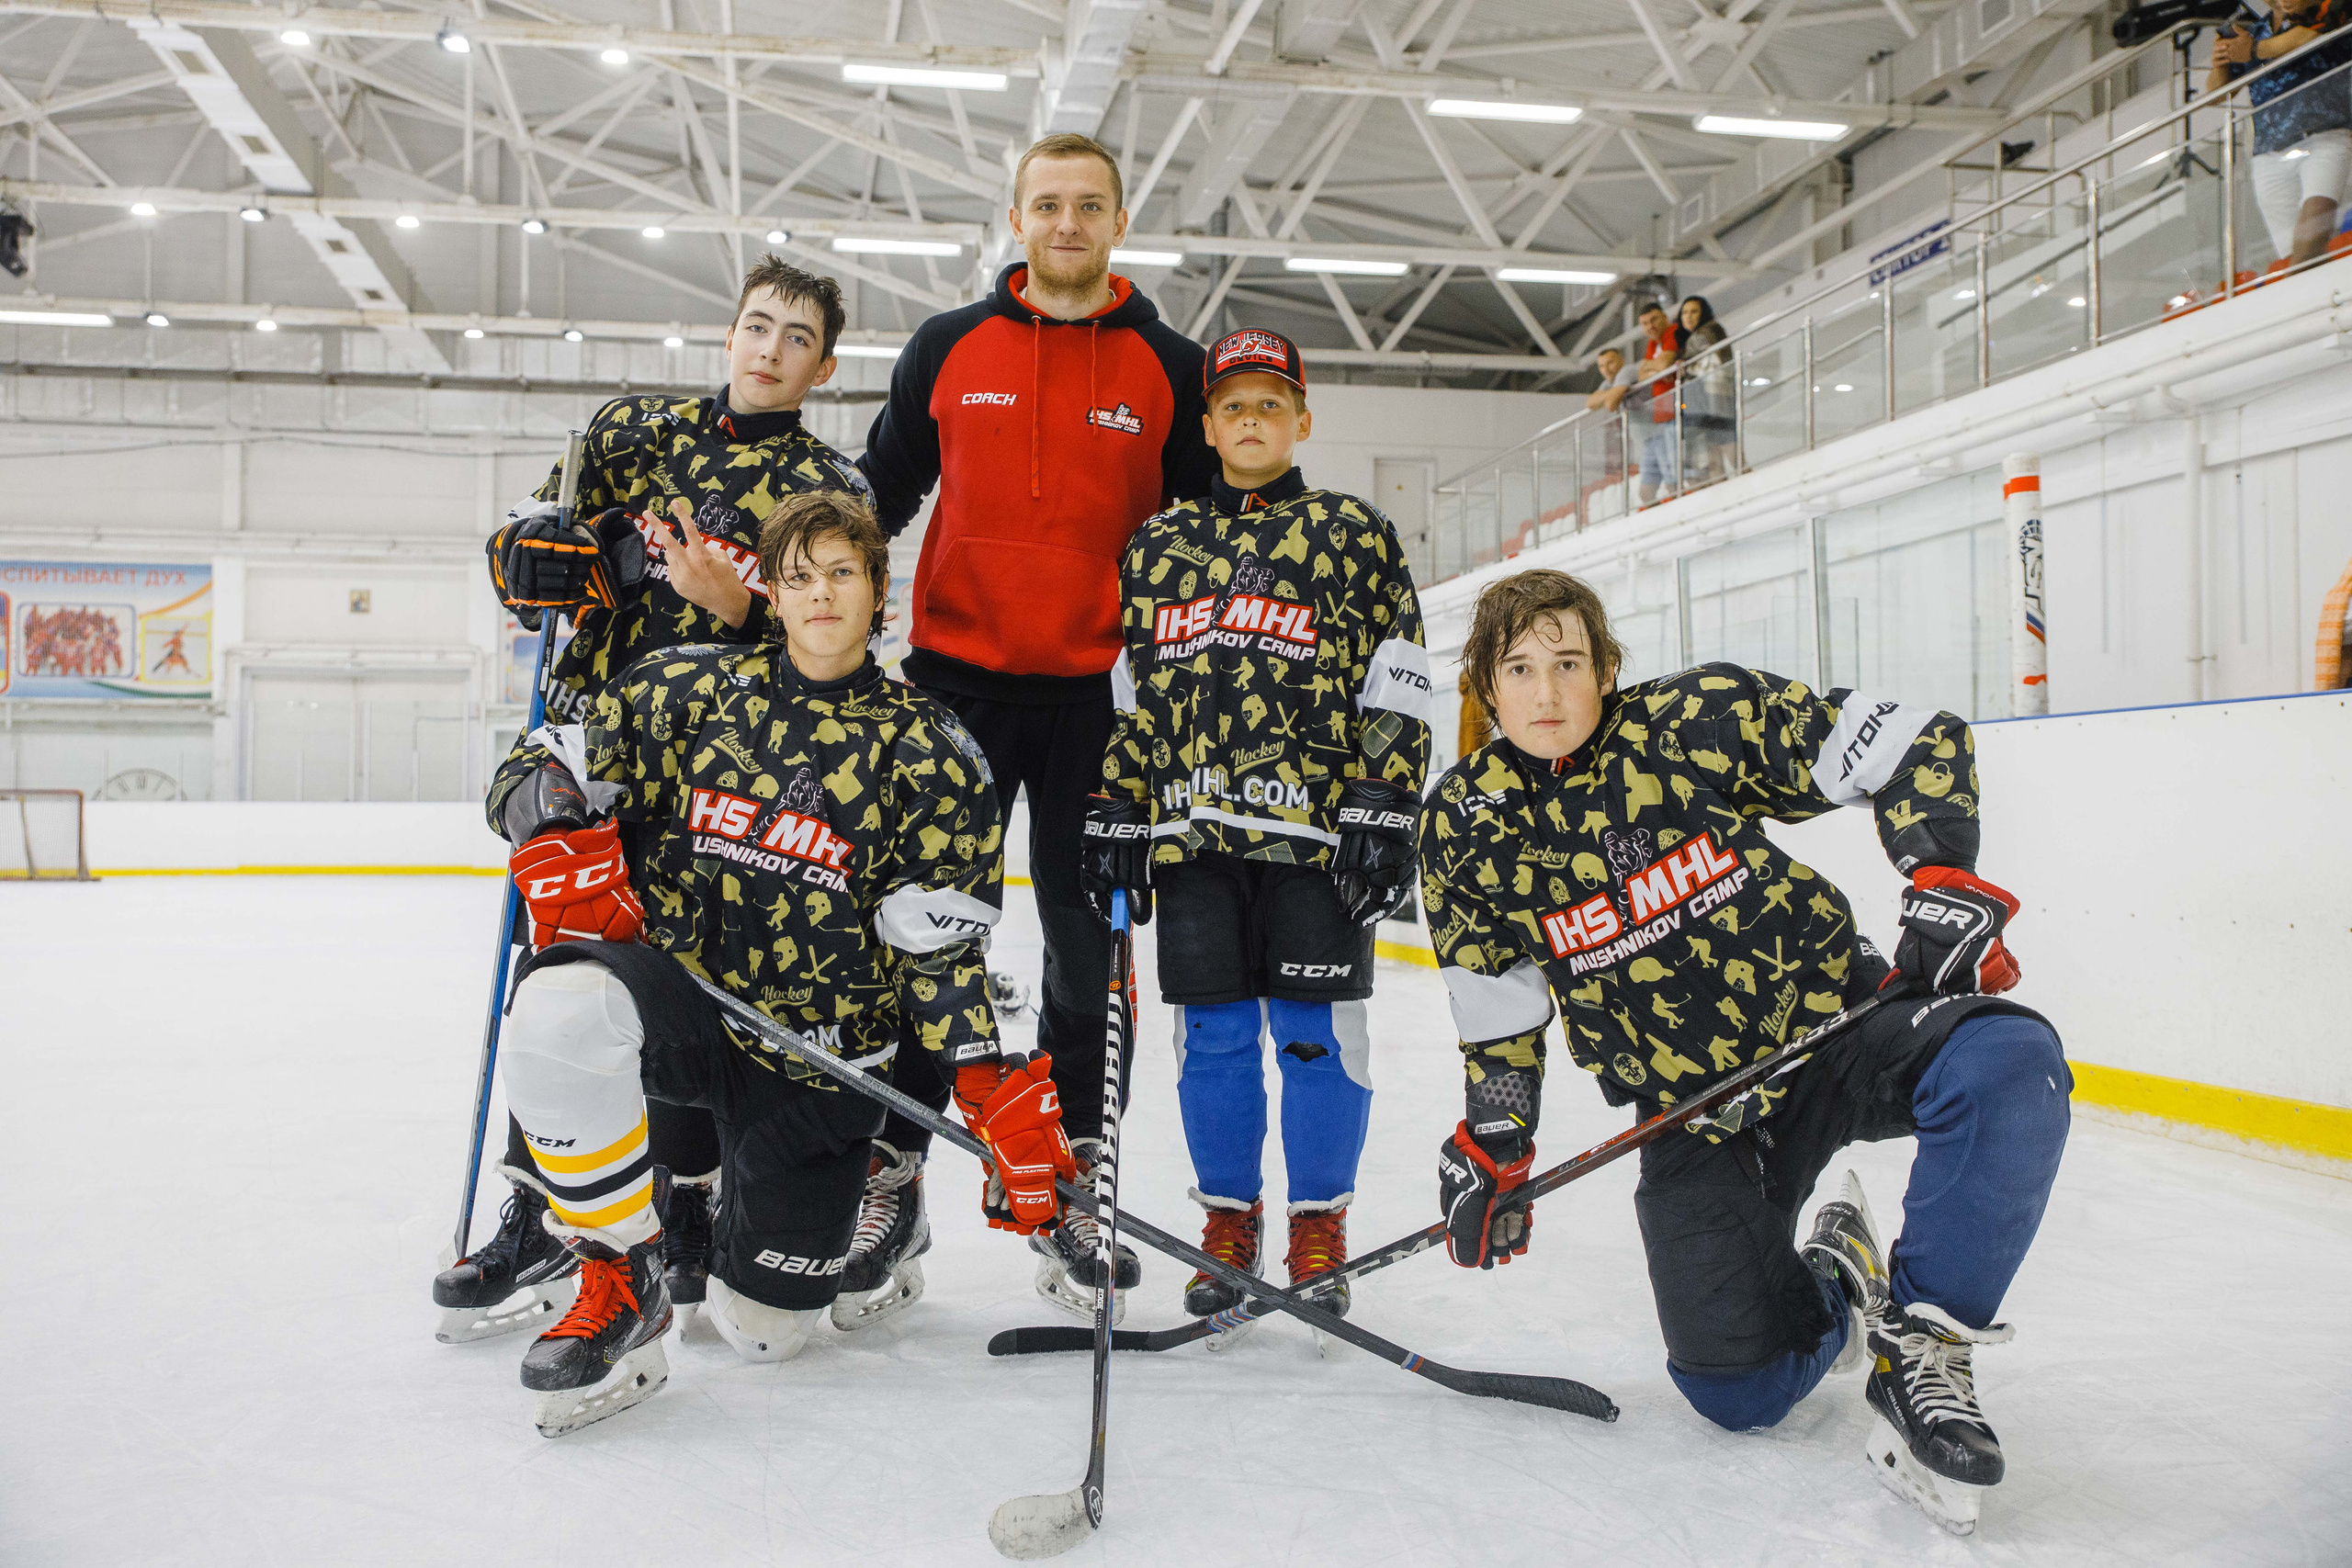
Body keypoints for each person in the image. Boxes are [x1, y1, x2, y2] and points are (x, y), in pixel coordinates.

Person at [1421, 570, 2070, 1536]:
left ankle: (1923, 1347)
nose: (1547, 692)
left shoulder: (1695, 719)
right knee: (1737, 1389)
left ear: (1605, 669)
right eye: (1519, 668)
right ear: (1484, 684)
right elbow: (1495, 1004)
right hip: (1695, 1108)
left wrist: (1937, 870)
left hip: (1835, 1028)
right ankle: (1841, 1279)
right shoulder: (1464, 826)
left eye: (1568, 663)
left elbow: (1910, 738)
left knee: (2011, 1065)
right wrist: (1495, 1140)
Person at [482, 491, 1065, 1437]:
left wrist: (984, 1081)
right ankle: (617, 1274)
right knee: (558, 1005)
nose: (820, 595)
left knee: (761, 1332)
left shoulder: (935, 752)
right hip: (689, 1017)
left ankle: (885, 1209)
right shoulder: (685, 688)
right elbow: (536, 758)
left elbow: (939, 952)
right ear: (773, 593)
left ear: (881, 592)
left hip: (820, 1059)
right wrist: (547, 817)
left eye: (842, 573)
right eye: (798, 577)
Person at [439, 258, 874, 1343]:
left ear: (823, 365)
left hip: (729, 766)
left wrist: (738, 609)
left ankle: (678, 1207)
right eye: (756, 325)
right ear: (728, 334)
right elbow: (526, 543)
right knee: (566, 975)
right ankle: (547, 1211)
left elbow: (837, 638)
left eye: (796, 336)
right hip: (596, 733)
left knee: (685, 987)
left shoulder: (833, 487)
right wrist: (529, 561)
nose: (769, 347)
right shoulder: (626, 431)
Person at [859, 130, 1217, 1317]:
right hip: (950, 687)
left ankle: (1069, 1183)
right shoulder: (948, 347)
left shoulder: (1170, 364)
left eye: (1090, 204)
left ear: (1120, 219)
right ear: (1018, 218)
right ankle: (894, 1165)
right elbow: (878, 494)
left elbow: (1210, 539)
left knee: (1084, 952)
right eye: (1048, 203)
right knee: (926, 936)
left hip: (1097, 703)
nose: (1068, 221)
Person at [1083, 328, 1430, 1333]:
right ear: (1206, 424)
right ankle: (1228, 1225)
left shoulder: (1354, 534)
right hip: (1193, 841)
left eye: (1269, 403)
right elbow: (1130, 699)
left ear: (1301, 420)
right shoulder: (1156, 547)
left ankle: (1318, 1227)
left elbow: (1398, 672)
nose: (1250, 419)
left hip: (1316, 845)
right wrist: (1115, 808)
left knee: (1318, 1039)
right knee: (1219, 1043)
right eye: (1232, 404)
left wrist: (1384, 800)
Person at [2211, 0, 2352, 267]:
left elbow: (2306, 37)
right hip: (2268, 152)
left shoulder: (2329, 10)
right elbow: (2218, 94)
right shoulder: (2254, 30)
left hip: (2325, 137)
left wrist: (2252, 50)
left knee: (2312, 236)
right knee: (2290, 254)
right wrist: (2221, 63)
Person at [1677, 296, 1734, 485]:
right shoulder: (1703, 334)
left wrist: (1686, 366)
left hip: (1715, 397)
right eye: (1685, 312)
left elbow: (1709, 362)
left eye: (1694, 312)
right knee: (1714, 454)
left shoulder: (1705, 333)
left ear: (1704, 314)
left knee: (1727, 449)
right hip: (1708, 399)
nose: (1688, 316)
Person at [1633, 303, 1684, 506]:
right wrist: (1657, 367)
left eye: (1653, 320)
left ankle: (1680, 510)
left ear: (1664, 317)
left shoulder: (1673, 332)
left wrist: (1654, 367)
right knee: (1647, 491)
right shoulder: (1653, 345)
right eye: (1645, 323)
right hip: (1661, 415)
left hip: (1676, 411)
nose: (1650, 326)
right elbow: (1642, 374)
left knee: (1673, 474)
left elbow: (1662, 366)